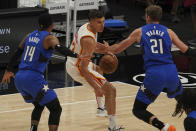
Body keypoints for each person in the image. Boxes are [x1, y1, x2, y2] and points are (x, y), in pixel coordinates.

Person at [106, 5, 196, 131]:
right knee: (185, 102)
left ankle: (164, 127)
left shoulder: (140, 31)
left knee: (138, 109)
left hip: (155, 75)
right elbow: (186, 50)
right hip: (171, 73)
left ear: (147, 16)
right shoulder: (169, 32)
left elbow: (118, 49)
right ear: (159, 17)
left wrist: (106, 48)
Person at [1, 13, 78, 131]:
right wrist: (77, 55)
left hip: (19, 78)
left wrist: (8, 70)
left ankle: (33, 129)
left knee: (39, 104)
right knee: (56, 109)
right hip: (33, 78)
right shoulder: (49, 38)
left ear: (39, 25)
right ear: (52, 25)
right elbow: (60, 48)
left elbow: (17, 53)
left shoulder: (28, 36)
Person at [66, 9, 123, 131]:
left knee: (98, 68)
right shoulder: (88, 39)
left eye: (103, 22)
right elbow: (83, 68)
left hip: (72, 62)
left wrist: (104, 49)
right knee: (111, 90)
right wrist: (97, 88)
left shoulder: (86, 27)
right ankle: (113, 126)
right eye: (99, 22)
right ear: (91, 21)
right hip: (77, 67)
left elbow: (92, 47)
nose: (102, 25)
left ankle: (101, 108)